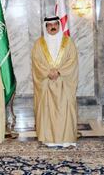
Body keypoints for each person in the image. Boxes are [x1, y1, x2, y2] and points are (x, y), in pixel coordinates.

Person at [31, 16, 79, 148]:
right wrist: (48, 72)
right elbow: (36, 62)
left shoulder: (68, 42)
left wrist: (59, 72)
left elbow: (72, 60)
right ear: (45, 27)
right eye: (49, 25)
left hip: (64, 83)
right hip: (46, 84)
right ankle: (49, 139)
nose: (52, 27)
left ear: (59, 25)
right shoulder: (38, 44)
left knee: (65, 111)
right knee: (47, 112)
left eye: (55, 25)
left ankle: (67, 139)